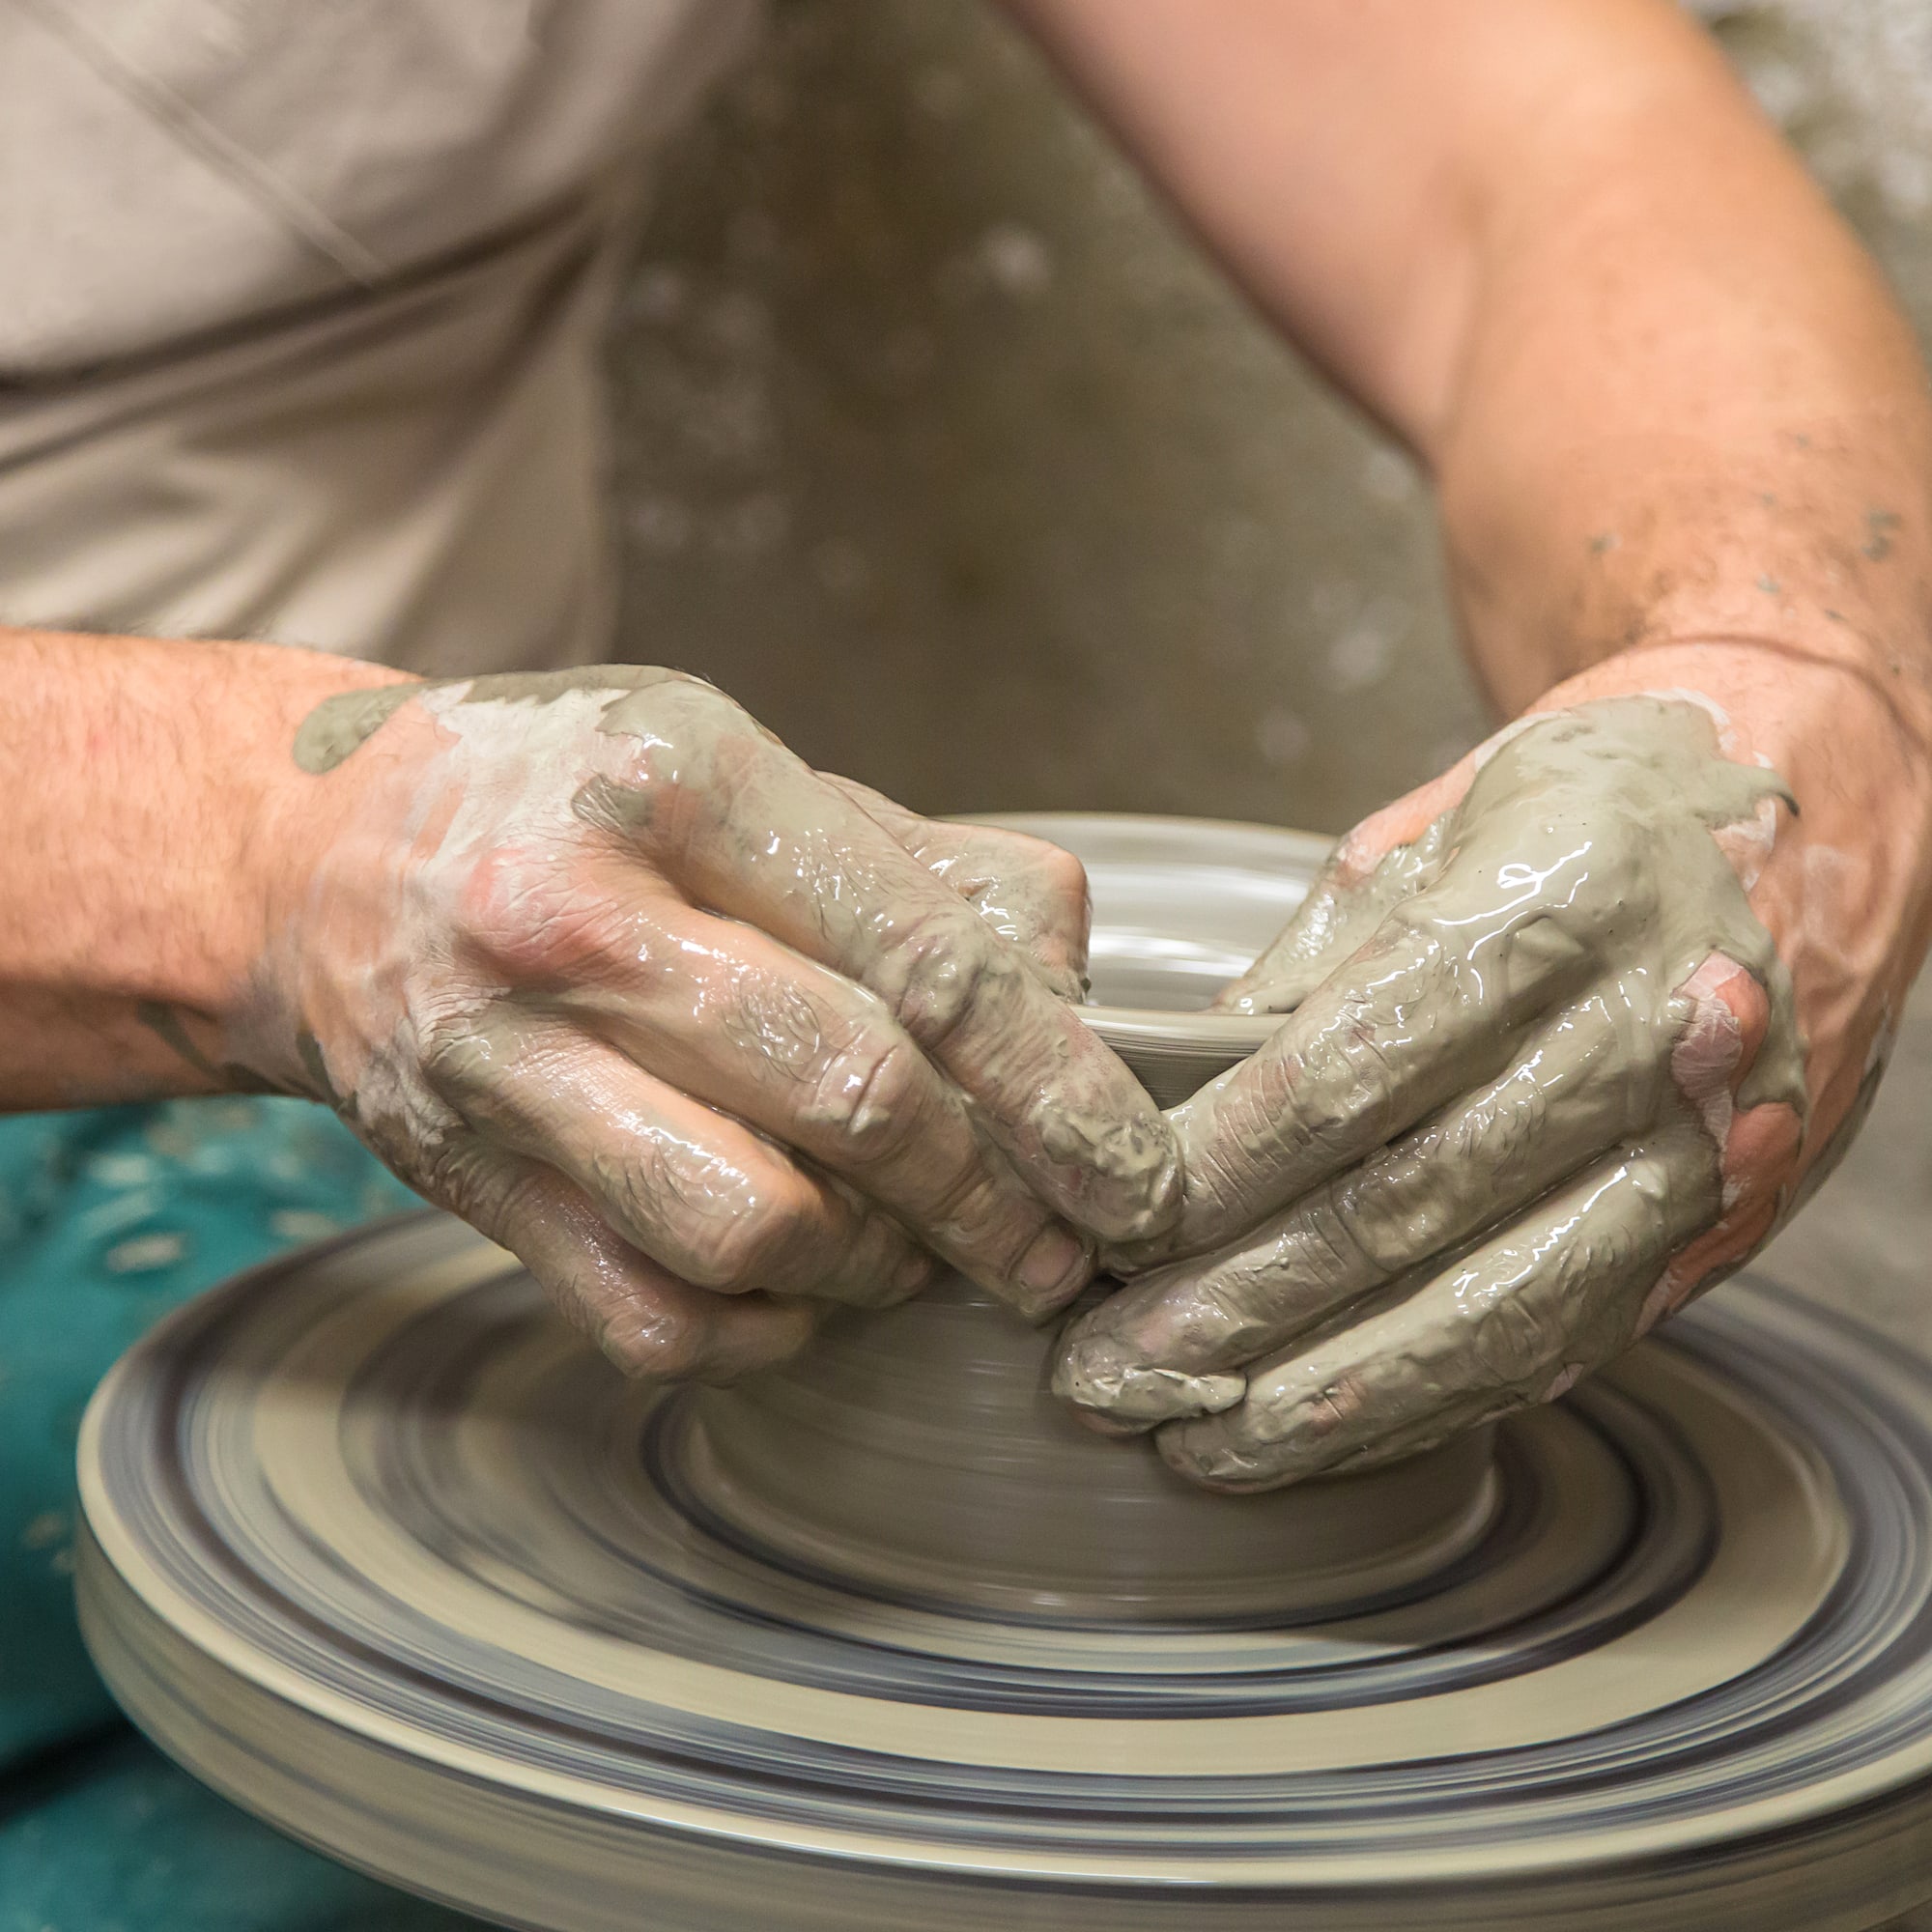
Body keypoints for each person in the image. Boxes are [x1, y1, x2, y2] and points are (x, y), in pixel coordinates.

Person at [2, 0, 1929, 1914]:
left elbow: (1526, 140)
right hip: (260, 986)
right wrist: (253, 847)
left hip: (431, 1094)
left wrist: (1798, 676)